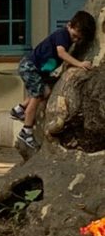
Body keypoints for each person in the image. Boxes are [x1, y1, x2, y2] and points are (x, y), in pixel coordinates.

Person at [10, 9, 96, 152]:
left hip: (38, 71)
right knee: (37, 96)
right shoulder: (62, 34)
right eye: (74, 36)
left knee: (46, 92)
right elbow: (61, 53)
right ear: (69, 25)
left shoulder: (68, 38)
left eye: (78, 39)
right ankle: (26, 131)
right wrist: (79, 64)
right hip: (30, 67)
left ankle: (19, 109)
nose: (75, 40)